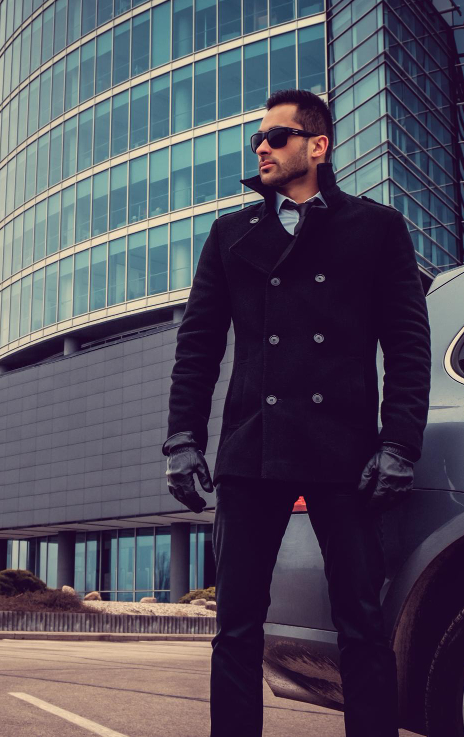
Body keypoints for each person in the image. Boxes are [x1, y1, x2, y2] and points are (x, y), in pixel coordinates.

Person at [161, 88, 432, 737]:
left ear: (317, 145)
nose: (261, 147)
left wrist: (400, 445)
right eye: (257, 139)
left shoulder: (376, 227)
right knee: (235, 628)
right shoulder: (232, 233)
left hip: (346, 451)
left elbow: (407, 342)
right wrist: (182, 439)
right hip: (252, 449)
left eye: (276, 137)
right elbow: (198, 345)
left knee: (362, 624)